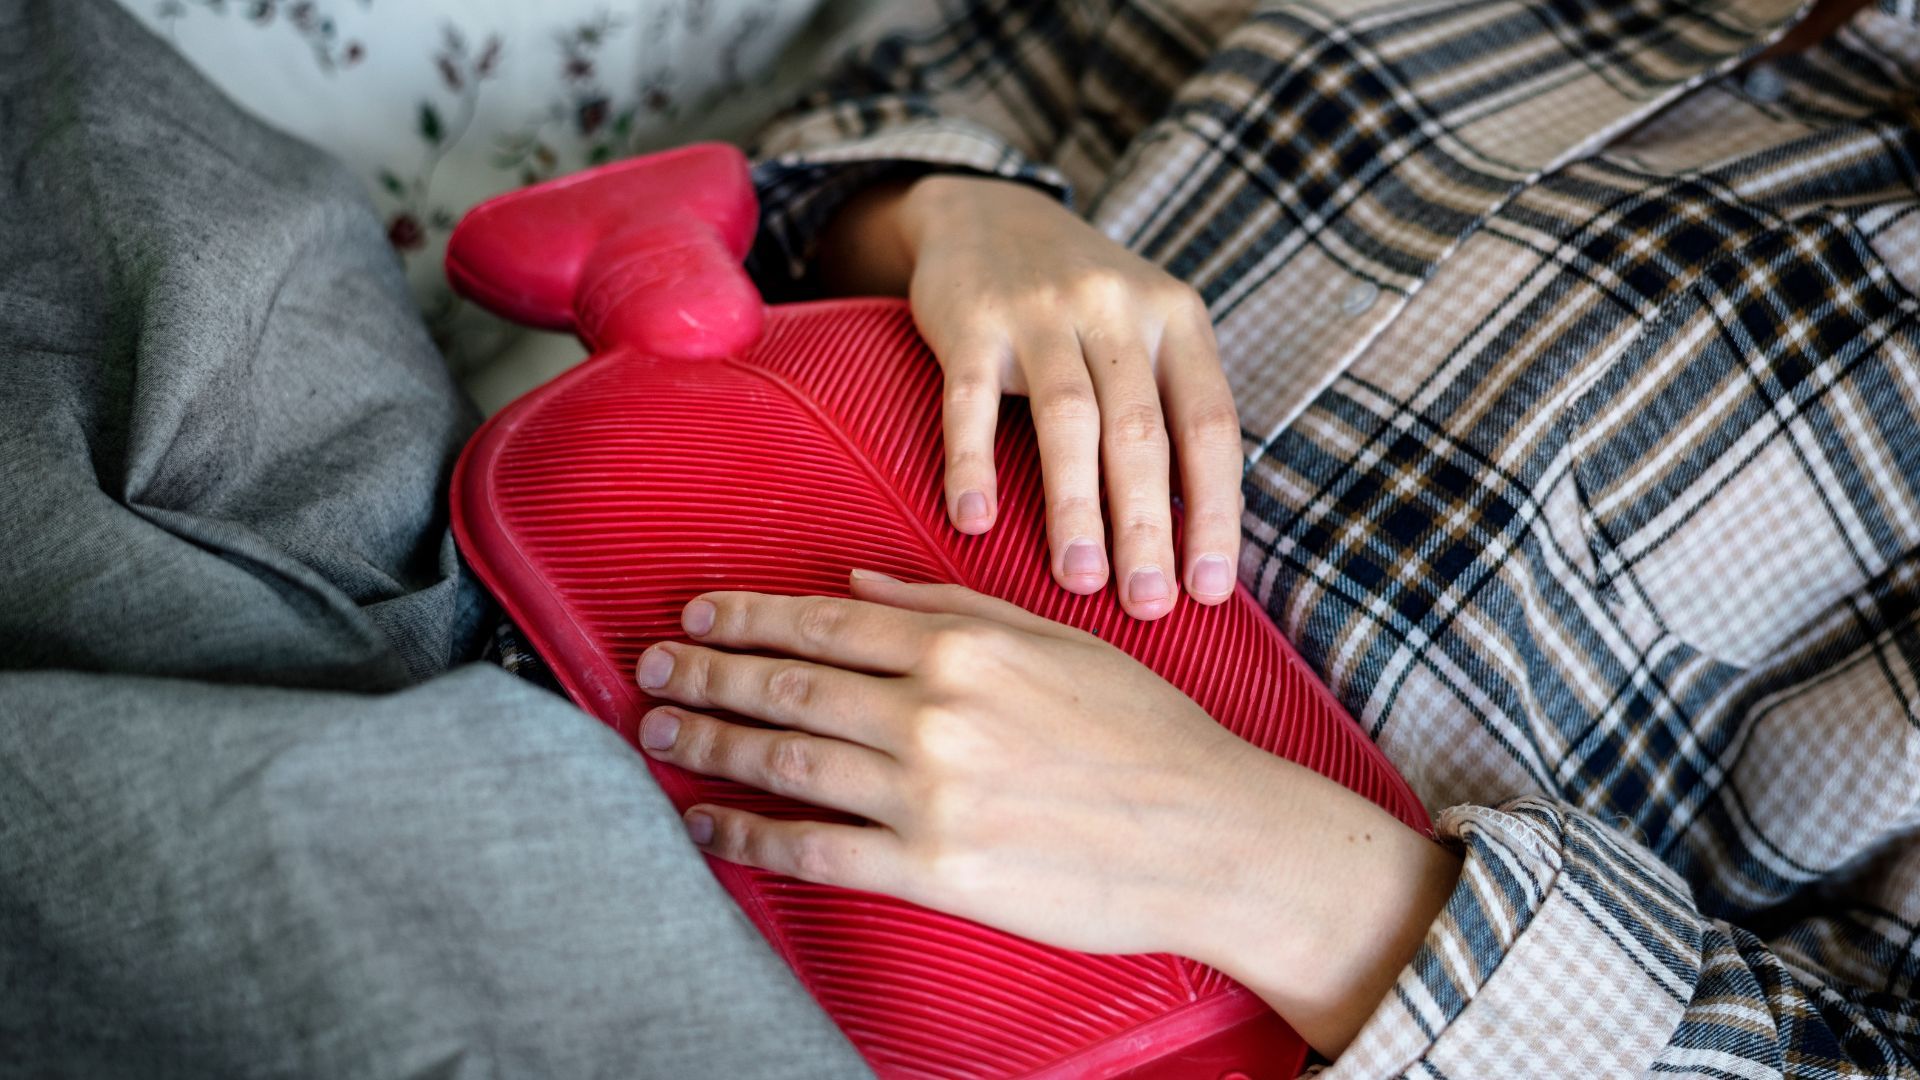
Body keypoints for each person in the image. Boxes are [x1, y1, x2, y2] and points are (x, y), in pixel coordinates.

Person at [1, 3, 1914, 1080]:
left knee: (389, 838)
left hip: (923, 1021)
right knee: (97, 142)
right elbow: (1000, 45)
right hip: (592, 533)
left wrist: (1284, 876)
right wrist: (944, 211)